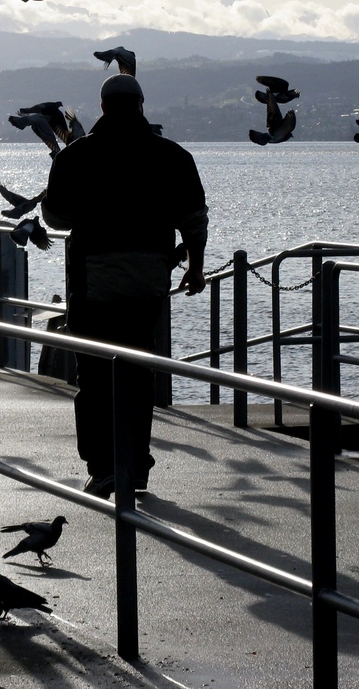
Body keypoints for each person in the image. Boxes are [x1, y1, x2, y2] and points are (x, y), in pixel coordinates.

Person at [44, 74, 208, 499]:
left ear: (102, 107)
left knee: (95, 376)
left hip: (92, 279)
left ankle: (103, 468)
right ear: (141, 105)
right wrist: (196, 267)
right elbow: (193, 220)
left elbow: (56, 219)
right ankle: (136, 467)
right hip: (149, 278)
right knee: (137, 373)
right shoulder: (173, 156)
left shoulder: (77, 156)